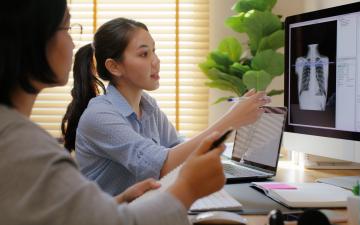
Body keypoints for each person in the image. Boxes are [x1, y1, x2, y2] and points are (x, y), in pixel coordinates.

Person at [0, 1, 226, 224]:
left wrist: (120, 200)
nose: (72, 42)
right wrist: (188, 188)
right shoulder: (21, 145)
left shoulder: (16, 134)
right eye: (67, 28)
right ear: (33, 38)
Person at [61, 17, 270, 195]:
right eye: (144, 54)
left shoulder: (147, 105)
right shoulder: (100, 115)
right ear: (114, 66)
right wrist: (230, 121)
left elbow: (177, 150)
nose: (156, 61)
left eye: (154, 51)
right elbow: (162, 165)